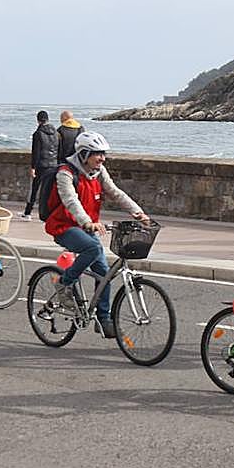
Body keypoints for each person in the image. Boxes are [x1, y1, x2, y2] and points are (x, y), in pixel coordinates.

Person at [44, 131, 151, 338]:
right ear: (84, 154)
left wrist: (138, 213)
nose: (102, 158)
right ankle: (64, 283)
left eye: (103, 154)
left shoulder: (98, 171)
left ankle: (104, 319)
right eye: (97, 154)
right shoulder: (66, 173)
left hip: (86, 227)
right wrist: (88, 222)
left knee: (104, 273)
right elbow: (70, 200)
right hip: (64, 226)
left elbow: (116, 192)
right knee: (92, 248)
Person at [22, 110, 59, 220]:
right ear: (48, 119)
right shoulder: (56, 133)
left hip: (41, 165)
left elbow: (36, 152)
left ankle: (28, 212)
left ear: (38, 120)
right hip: (53, 164)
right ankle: (49, 214)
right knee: (49, 191)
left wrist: (33, 167)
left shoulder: (38, 133)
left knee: (34, 189)